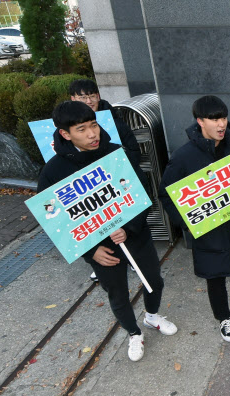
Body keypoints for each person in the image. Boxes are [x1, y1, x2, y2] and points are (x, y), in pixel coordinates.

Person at [39, 101, 177, 362]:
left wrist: (129, 227)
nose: (92, 134)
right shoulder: (53, 172)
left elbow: (143, 193)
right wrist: (90, 251)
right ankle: (133, 332)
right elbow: (53, 221)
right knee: (118, 293)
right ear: (65, 134)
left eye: (94, 125)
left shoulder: (117, 154)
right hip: (102, 249)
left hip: (135, 236)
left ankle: (152, 316)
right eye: (82, 129)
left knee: (154, 280)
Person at [160, 95, 230, 343]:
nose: (221, 124)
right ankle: (223, 318)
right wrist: (191, 222)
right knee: (215, 275)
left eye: (223, 117)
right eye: (213, 119)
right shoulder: (183, 157)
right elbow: (167, 195)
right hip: (210, 234)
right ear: (199, 121)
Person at [70, 78, 141, 284]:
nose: (89, 101)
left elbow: (134, 151)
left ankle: (131, 259)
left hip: (118, 182)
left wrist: (123, 166)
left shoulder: (114, 119)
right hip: (89, 188)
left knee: (124, 223)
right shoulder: (66, 126)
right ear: (73, 99)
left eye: (92, 96)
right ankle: (101, 264)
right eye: (83, 97)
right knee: (98, 224)